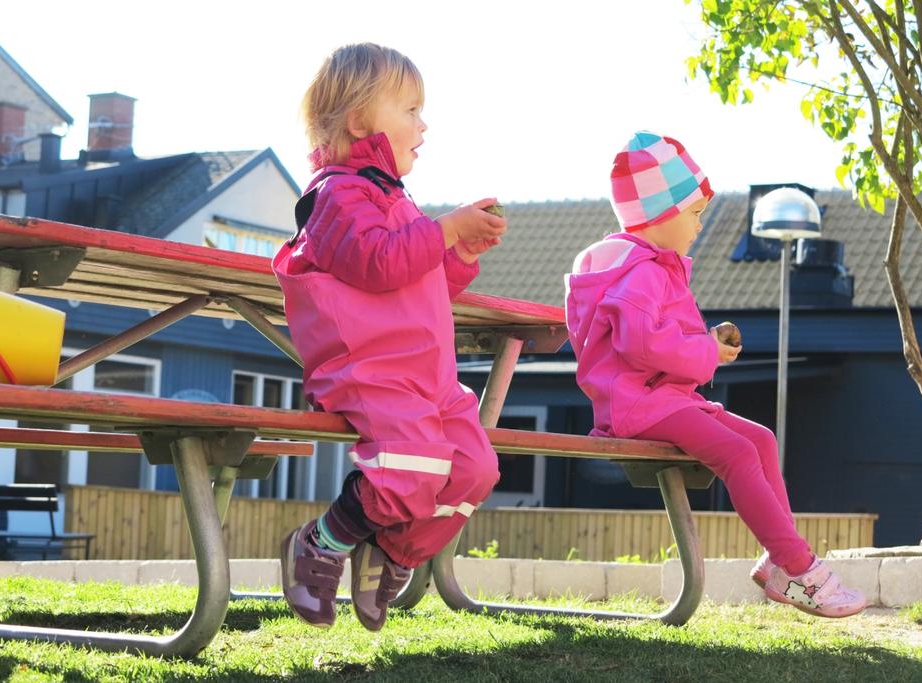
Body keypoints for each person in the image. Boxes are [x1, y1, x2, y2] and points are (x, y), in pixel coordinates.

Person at [564, 131, 866, 618]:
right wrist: (703, 351)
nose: (701, 226)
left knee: (762, 439)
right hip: (638, 403)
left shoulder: (651, 268)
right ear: (660, 214)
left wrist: (708, 341)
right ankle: (800, 567)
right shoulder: (641, 272)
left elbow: (657, 336)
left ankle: (778, 565)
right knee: (738, 452)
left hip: (662, 398)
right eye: (695, 214)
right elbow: (641, 345)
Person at [273, 43, 507, 631]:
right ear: (358, 122)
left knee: (474, 470)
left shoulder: (393, 200)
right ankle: (321, 541)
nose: (422, 123)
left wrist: (458, 250)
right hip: (371, 370)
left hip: (428, 377)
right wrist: (445, 228)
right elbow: (377, 263)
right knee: (411, 469)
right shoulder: (336, 196)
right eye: (409, 108)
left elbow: (417, 278)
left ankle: (392, 551)